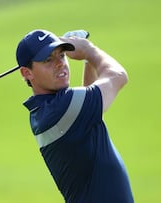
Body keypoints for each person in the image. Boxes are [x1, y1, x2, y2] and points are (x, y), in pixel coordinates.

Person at [16, 29, 134, 203]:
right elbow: (118, 76)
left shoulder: (45, 109)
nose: (60, 64)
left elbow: (90, 108)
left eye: (62, 55)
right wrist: (89, 50)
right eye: (48, 60)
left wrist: (88, 62)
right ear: (27, 73)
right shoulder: (61, 108)